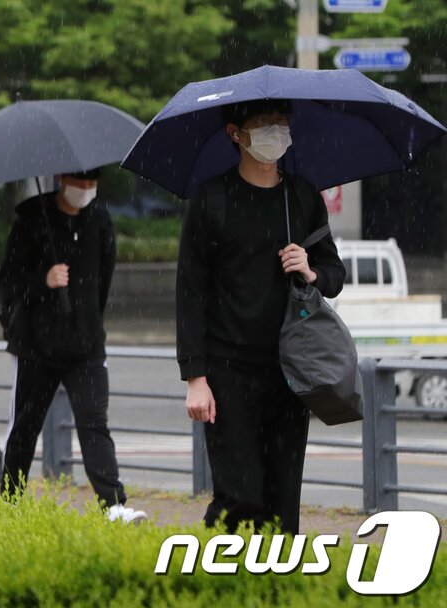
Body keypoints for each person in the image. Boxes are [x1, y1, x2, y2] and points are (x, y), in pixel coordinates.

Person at [178, 100, 345, 535]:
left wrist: (309, 269)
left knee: (283, 498)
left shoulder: (302, 195)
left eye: (283, 123)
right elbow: (190, 293)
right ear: (236, 133)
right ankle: (229, 582)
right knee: (239, 495)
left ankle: (278, 588)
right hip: (227, 369)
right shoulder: (210, 198)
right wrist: (196, 377)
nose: (277, 132)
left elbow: (334, 275)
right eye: (265, 124)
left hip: (291, 368)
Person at [0, 168, 147, 524]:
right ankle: (9, 502)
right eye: (79, 182)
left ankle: (114, 505)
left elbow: (104, 281)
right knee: (25, 425)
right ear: (61, 179)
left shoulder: (100, 219)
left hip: (87, 348)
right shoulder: (32, 218)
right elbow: (7, 281)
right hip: (37, 347)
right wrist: (42, 280)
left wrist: (87, 319)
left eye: (92, 183)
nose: (86, 190)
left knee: (94, 423)